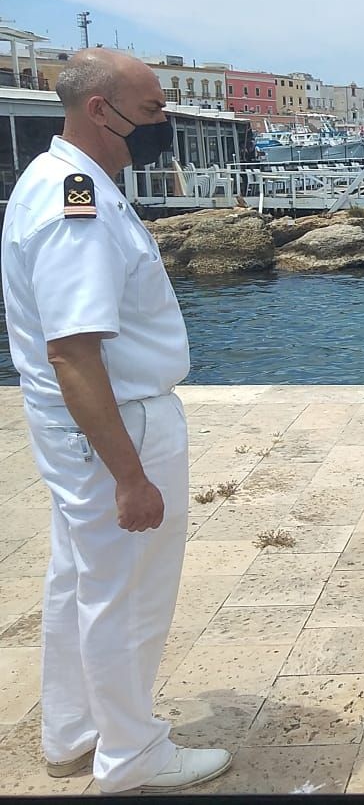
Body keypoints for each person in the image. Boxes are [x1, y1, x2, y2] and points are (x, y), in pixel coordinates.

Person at [0, 49, 231, 793]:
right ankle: (133, 756)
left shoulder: (58, 181)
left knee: (81, 582)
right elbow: (73, 352)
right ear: (100, 110)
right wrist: (129, 474)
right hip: (117, 424)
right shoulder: (80, 205)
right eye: (156, 108)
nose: (166, 121)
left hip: (81, 425)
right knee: (127, 594)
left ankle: (75, 729)